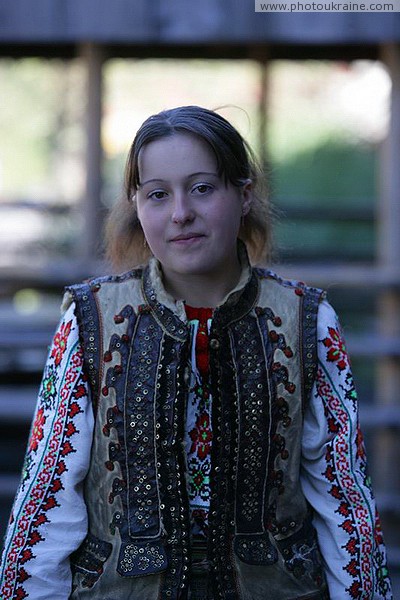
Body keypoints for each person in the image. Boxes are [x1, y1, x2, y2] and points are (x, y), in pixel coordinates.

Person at [0, 105, 392, 600]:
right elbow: (46, 498)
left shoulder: (307, 321)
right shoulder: (88, 319)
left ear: (243, 195)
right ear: (136, 206)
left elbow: (346, 502)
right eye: (158, 194)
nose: (181, 212)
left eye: (203, 188)